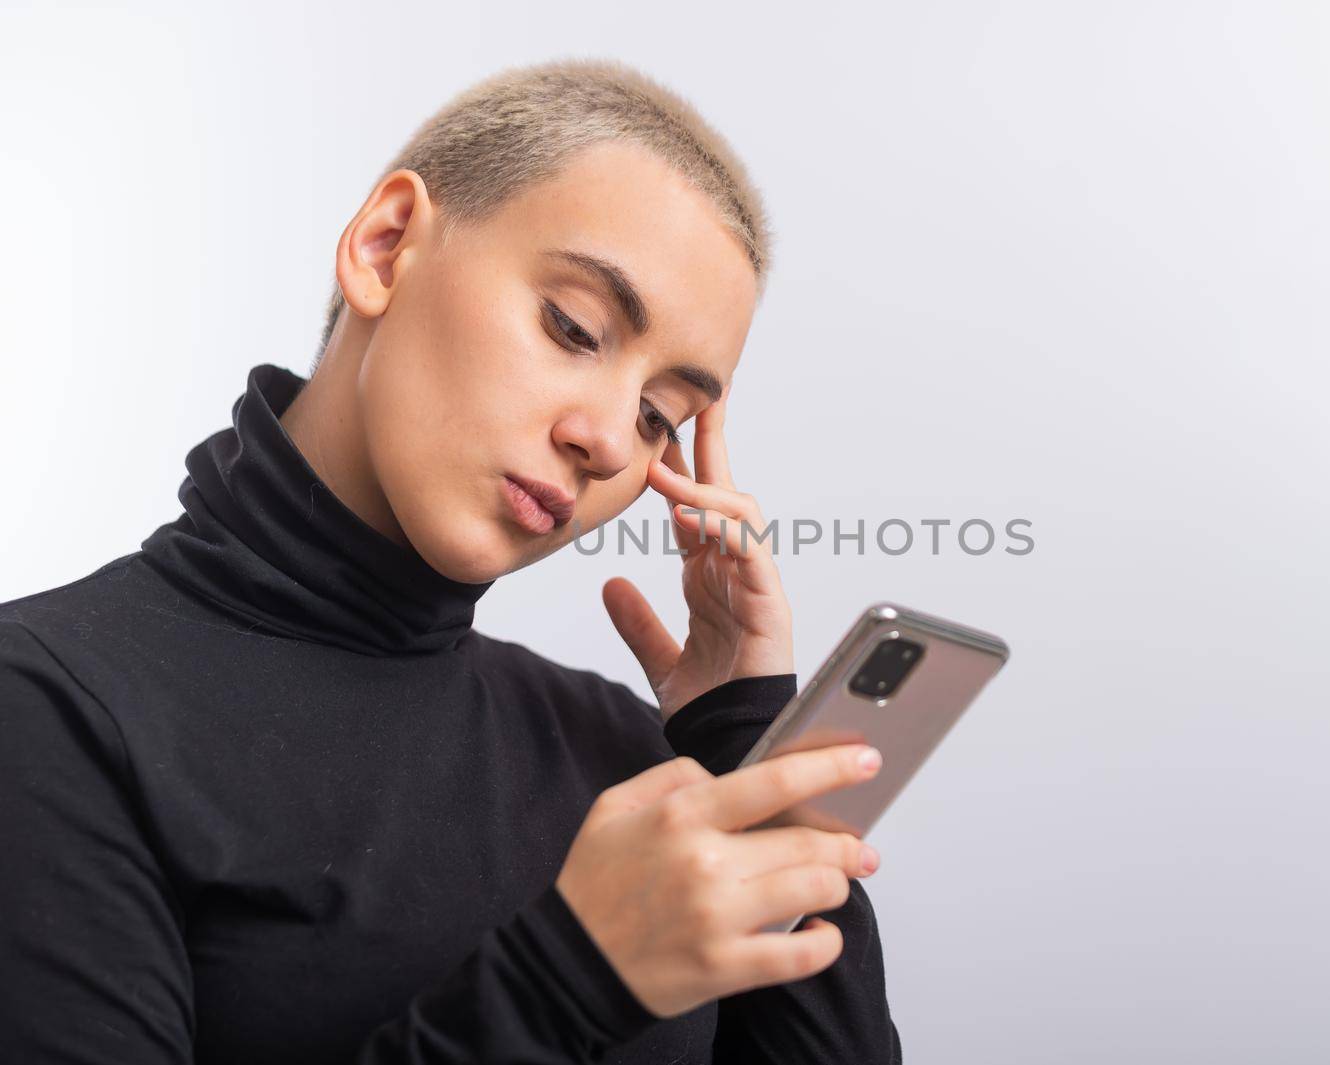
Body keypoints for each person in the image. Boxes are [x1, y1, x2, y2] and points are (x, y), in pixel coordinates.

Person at [0, 58, 901, 1064]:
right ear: (384, 247)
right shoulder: (48, 705)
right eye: (575, 328)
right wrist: (571, 979)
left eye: (660, 417)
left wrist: (745, 745)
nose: (608, 439)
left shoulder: (628, 762)